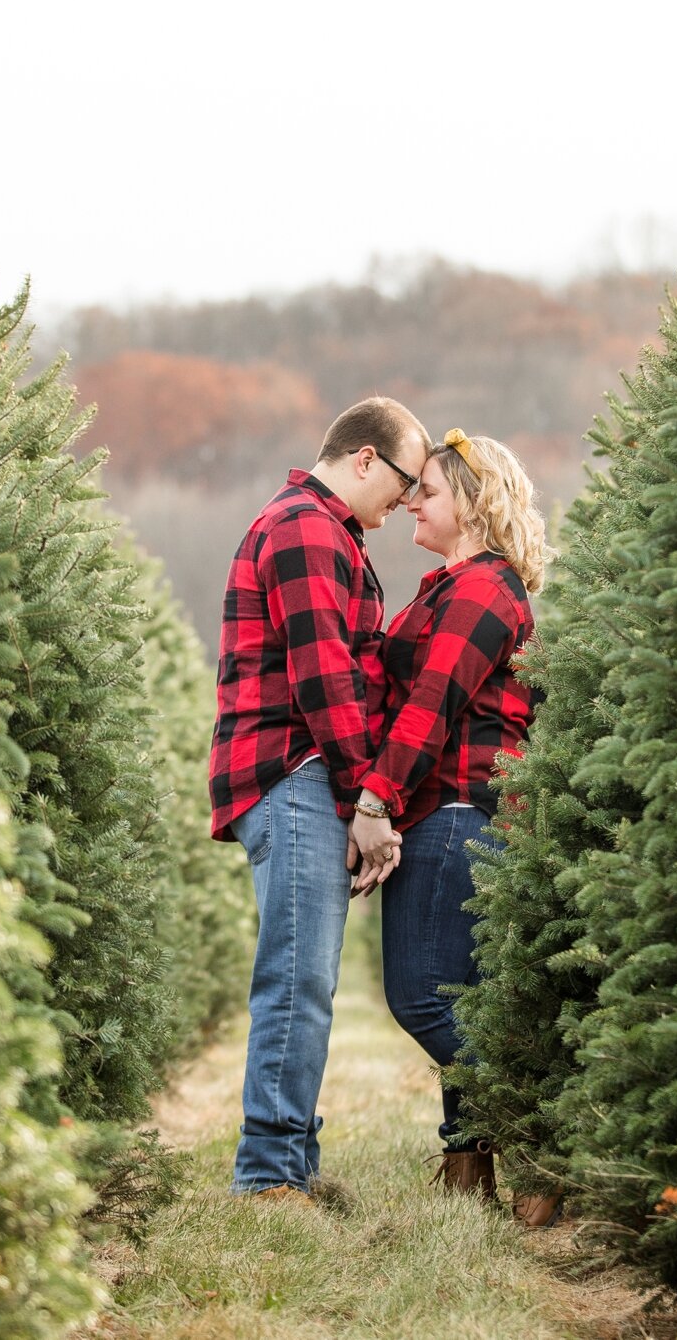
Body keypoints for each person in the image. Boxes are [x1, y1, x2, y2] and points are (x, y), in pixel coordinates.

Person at [211, 395, 431, 1204]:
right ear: (365, 458)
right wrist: (364, 798)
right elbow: (322, 678)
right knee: (296, 976)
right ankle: (268, 1172)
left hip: (304, 774)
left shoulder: (327, 530)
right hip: (296, 770)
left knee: (308, 975)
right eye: (404, 482)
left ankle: (292, 1162)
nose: (406, 503)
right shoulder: (306, 528)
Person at [347, 427, 547, 1206]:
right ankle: (470, 1179)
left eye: (425, 492)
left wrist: (375, 799)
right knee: (460, 998)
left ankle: (540, 1129)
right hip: (447, 811)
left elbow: (432, 706)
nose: (409, 506)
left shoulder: (484, 589)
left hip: (460, 811)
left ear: (470, 501)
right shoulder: (449, 586)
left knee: (420, 995)